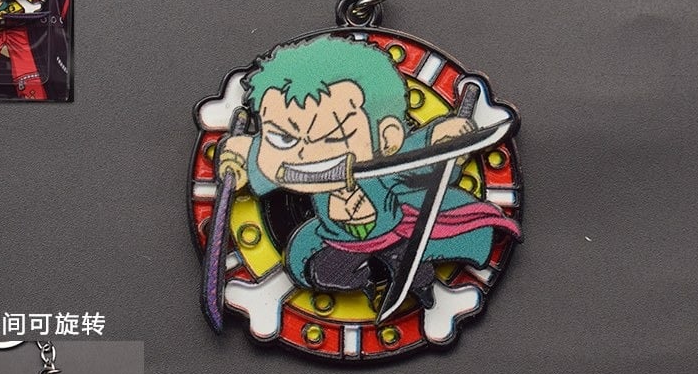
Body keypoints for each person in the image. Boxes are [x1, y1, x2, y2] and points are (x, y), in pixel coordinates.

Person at [218, 35, 520, 307]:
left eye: (333, 136)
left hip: (398, 228)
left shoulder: (387, 162)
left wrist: (441, 141)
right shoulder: (289, 165)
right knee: (312, 267)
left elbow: (418, 154)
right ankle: (367, 285)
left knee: (415, 264)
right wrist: (244, 158)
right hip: (334, 238)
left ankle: (420, 284)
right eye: (283, 138)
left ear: (387, 138)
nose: (304, 154)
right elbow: (270, 161)